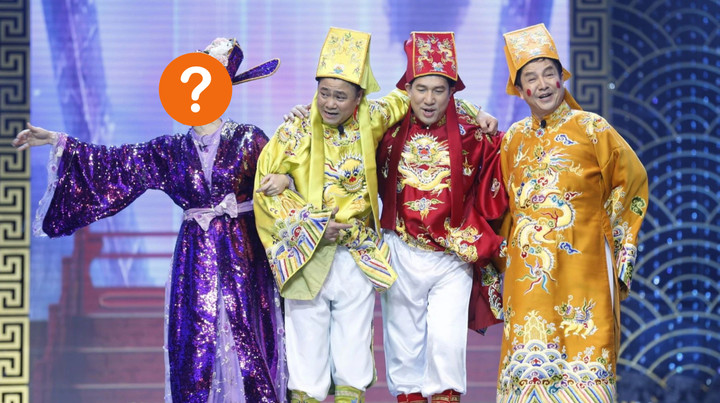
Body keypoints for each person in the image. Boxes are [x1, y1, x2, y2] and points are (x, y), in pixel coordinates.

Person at [13, 38, 287, 403]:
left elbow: (287, 174)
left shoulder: (250, 139)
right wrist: (59, 142)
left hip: (244, 255)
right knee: (198, 343)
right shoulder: (169, 150)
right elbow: (115, 162)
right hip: (195, 258)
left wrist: (284, 178)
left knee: (248, 340)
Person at [253, 27, 412, 403]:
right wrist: (311, 228)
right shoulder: (294, 130)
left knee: (353, 350)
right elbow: (264, 190)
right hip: (307, 255)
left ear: (359, 97)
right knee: (305, 355)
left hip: (357, 251)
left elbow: (416, 96)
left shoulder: (372, 117)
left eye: (340, 96)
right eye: (324, 92)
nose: (329, 103)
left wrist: (474, 111)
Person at [495, 23, 649, 402]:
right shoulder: (512, 139)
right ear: (519, 89)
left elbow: (631, 182)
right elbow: (504, 207)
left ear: (562, 78)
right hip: (528, 276)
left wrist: (614, 245)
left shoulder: (592, 128)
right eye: (531, 78)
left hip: (585, 269)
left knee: (585, 362)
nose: (542, 84)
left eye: (549, 73)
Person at [375, 32, 507, 403]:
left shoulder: (473, 133)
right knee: (403, 344)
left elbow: (505, 166)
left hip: (452, 255)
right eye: (421, 89)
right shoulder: (385, 128)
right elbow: (338, 130)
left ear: (452, 93)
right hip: (402, 248)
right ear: (407, 89)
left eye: (438, 90)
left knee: (447, 342)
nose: (429, 99)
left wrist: (478, 115)